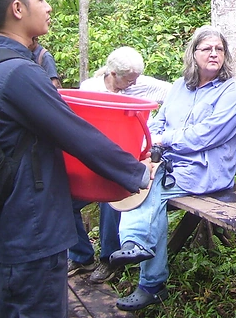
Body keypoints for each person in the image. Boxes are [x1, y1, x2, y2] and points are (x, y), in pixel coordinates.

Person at [0, 0, 153, 318]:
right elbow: (75, 133)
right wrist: (136, 173)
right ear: (18, 8)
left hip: (13, 223)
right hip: (32, 231)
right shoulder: (19, 73)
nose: (49, 6)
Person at [108, 26, 236, 311]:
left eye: (219, 49)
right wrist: (147, 142)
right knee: (142, 177)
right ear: (193, 54)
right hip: (172, 165)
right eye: (206, 48)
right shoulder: (179, 87)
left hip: (205, 171)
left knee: (149, 184)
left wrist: (165, 140)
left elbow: (207, 135)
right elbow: (159, 122)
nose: (213, 53)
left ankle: (146, 269)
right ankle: (144, 262)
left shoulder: (231, 91)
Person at [68, 46, 172, 284]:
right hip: (93, 159)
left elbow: (175, 92)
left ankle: (109, 259)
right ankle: (81, 255)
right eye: (129, 79)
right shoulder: (90, 89)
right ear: (113, 74)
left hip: (126, 160)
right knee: (67, 200)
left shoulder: (141, 84)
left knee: (112, 201)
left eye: (136, 79)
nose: (133, 83)